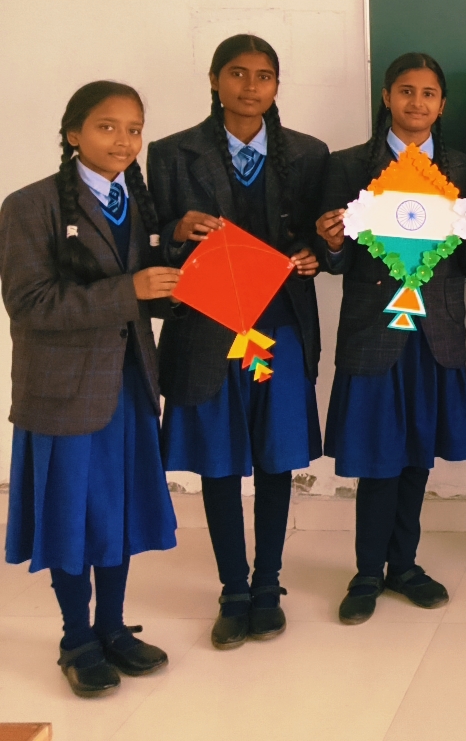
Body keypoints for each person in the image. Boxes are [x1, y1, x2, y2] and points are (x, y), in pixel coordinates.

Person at [148, 34, 329, 649]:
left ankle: (268, 584)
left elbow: (320, 236)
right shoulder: (172, 153)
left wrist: (314, 253)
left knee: (276, 455)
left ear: (277, 85)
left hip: (277, 329)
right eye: (237, 73)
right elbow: (150, 235)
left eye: (264, 76)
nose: (251, 86)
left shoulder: (307, 153)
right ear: (214, 79)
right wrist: (177, 229)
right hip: (209, 329)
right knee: (220, 459)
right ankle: (233, 589)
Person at [2, 82, 180, 697]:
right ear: (73, 133)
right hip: (63, 391)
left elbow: (146, 297)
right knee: (71, 514)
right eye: (107, 127)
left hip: (129, 382)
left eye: (134, 129)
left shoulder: (139, 202)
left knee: (118, 510)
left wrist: (187, 287)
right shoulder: (30, 205)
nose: (124, 141)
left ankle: (113, 627)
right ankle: (76, 638)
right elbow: (29, 304)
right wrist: (132, 290)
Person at [315, 53, 466, 624]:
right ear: (387, 97)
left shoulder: (461, 167)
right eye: (406, 91)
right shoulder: (350, 165)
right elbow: (335, 259)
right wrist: (332, 243)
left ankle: (405, 566)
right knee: (378, 456)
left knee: (418, 451)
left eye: (429, 93)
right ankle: (368, 571)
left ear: (442, 105)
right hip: (376, 329)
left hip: (434, 331)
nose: (417, 103)